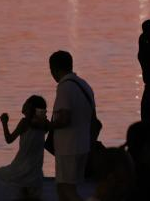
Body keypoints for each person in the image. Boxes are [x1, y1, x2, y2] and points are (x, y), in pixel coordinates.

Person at [47, 50, 97, 201]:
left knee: (67, 190)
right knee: (64, 189)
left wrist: (44, 125)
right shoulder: (84, 85)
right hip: (82, 145)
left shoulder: (64, 87)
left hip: (68, 147)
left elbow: (64, 119)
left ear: (54, 69)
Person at [0, 95, 47, 199]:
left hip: (23, 168)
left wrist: (4, 122)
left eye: (26, 102)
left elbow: (9, 139)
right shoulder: (43, 125)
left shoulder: (25, 123)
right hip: (36, 171)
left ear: (30, 107)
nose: (24, 104)